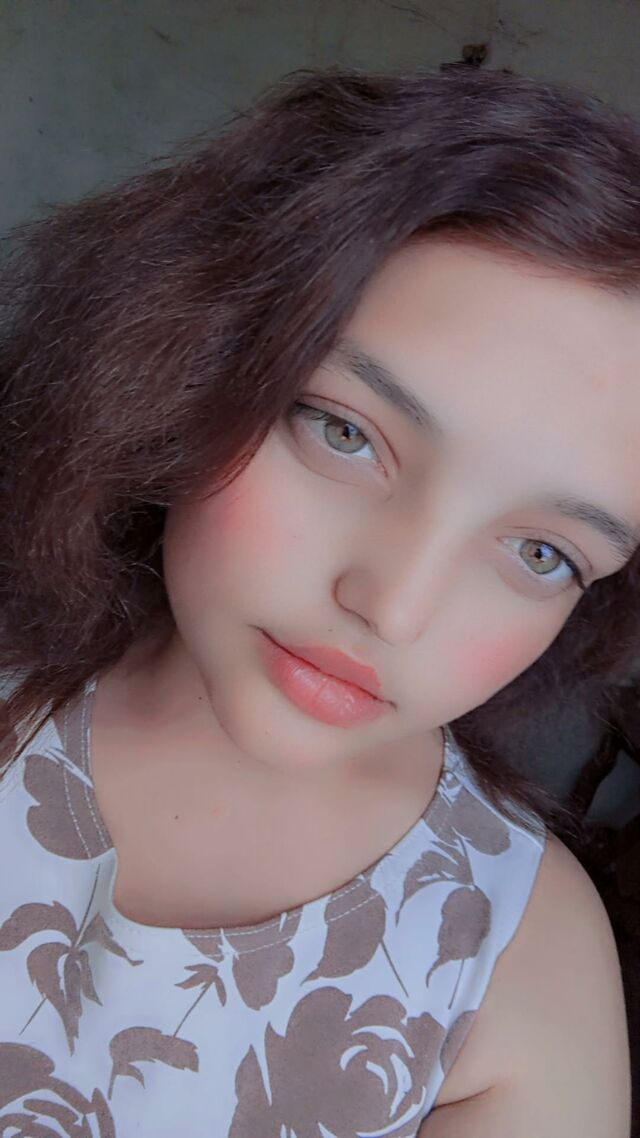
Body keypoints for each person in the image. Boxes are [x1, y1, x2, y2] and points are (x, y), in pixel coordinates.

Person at [0, 64, 635, 1137]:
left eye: (540, 552)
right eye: (345, 434)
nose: (394, 607)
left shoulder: (517, 961)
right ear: (194, 359)